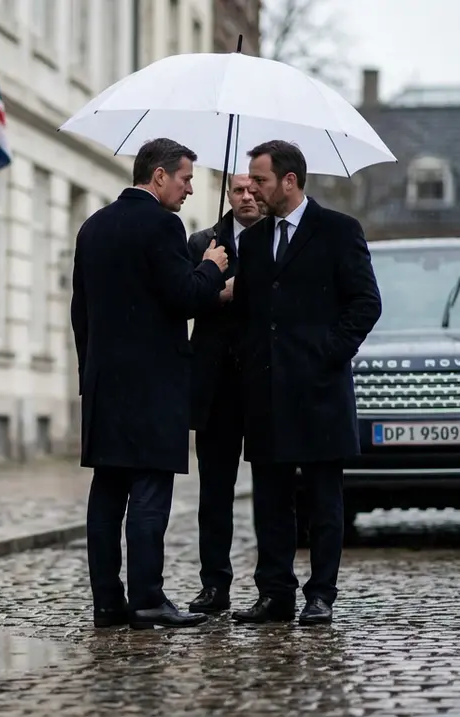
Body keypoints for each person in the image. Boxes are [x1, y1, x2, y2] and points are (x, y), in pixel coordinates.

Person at [70, 138, 230, 630]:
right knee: (148, 493)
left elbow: (80, 312)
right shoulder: (163, 225)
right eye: (185, 179)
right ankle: (146, 599)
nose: (189, 190)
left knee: (106, 493)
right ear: (159, 176)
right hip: (154, 385)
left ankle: (106, 602)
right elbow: (184, 296)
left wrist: (90, 374)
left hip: (104, 382)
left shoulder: (93, 226)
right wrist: (212, 266)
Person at [229, 140, 382, 626]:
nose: (252, 189)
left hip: (320, 392)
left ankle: (321, 595)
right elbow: (248, 314)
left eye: (260, 180)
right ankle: (275, 594)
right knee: (270, 502)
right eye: (250, 180)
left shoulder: (339, 230)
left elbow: (365, 303)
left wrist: (327, 354)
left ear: (289, 181)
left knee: (322, 501)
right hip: (266, 393)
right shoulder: (252, 240)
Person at [184, 174, 264, 614]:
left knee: (272, 490)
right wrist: (220, 293)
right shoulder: (203, 242)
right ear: (228, 195)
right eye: (238, 190)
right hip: (216, 385)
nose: (247, 197)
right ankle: (214, 585)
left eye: (254, 189)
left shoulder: (279, 240)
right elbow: (183, 301)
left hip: (264, 381)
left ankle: (273, 585)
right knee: (215, 491)